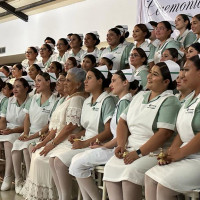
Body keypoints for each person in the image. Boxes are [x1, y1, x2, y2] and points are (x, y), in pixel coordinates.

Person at [103, 61, 181, 200]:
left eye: (155, 74)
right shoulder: (139, 96)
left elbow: (164, 133)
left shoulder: (170, 101)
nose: (149, 76)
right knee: (110, 167)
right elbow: (122, 121)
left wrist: (138, 153)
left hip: (154, 152)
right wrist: (121, 145)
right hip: (130, 148)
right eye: (150, 72)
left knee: (130, 173)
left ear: (166, 81)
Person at [69, 69, 138, 200]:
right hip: (113, 146)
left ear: (125, 82)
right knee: (76, 161)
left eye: (114, 81)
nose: (110, 84)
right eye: (110, 80)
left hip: (119, 149)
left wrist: (104, 146)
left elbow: (122, 136)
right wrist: (102, 145)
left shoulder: (125, 102)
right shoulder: (121, 101)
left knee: (77, 164)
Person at [49, 65, 116, 200]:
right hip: (87, 143)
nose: (85, 81)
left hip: (100, 144)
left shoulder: (107, 100)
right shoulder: (86, 102)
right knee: (55, 160)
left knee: (61, 162)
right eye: (85, 78)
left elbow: (108, 131)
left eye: (89, 78)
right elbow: (87, 128)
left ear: (100, 81)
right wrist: (77, 136)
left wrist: (84, 143)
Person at [21, 68, 86, 200]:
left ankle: (60, 195)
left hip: (68, 140)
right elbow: (55, 128)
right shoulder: (68, 98)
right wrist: (44, 143)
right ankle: (59, 195)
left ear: (78, 84)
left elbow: (70, 126)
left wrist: (51, 144)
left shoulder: (77, 99)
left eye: (68, 80)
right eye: (65, 80)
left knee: (42, 158)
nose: (64, 83)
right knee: (37, 152)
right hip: (59, 139)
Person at [145, 55, 200, 200]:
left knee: (164, 186)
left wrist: (180, 153)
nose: (182, 74)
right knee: (150, 177)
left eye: (187, 70)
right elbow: (183, 130)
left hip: (197, 157)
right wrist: (172, 152)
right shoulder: (190, 98)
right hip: (188, 155)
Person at [11, 72, 57, 193]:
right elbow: (27, 117)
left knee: (27, 148)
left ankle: (29, 181)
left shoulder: (54, 100)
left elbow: (49, 124)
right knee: (15, 146)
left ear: (48, 82)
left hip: (42, 134)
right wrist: (26, 133)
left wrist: (31, 136)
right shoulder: (34, 98)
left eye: (39, 80)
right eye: (35, 81)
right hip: (29, 132)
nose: (36, 83)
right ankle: (18, 180)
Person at [0, 78, 30, 191]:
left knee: (8, 142)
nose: (15, 89)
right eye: (14, 87)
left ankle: (10, 176)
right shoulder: (8, 101)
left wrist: (11, 131)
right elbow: (2, 120)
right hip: (9, 129)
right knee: (8, 139)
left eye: (18, 86)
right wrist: (2, 129)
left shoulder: (30, 101)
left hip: (23, 131)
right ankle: (13, 176)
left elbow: (28, 125)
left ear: (26, 88)